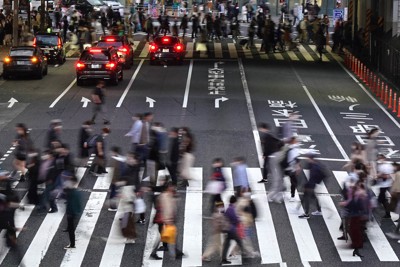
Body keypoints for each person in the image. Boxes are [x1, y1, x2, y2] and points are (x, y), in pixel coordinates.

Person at [298, 154, 326, 219]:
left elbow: (312, 178)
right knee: (313, 197)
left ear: (312, 159)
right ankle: (319, 210)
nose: (307, 159)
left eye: (308, 158)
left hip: (310, 185)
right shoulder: (315, 165)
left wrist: (307, 186)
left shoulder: (315, 168)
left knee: (306, 199)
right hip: (313, 184)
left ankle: (306, 214)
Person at [221, 195, 244, 265]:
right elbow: (235, 219)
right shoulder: (231, 209)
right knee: (239, 240)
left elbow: (226, 216)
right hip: (231, 229)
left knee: (227, 244)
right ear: (235, 202)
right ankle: (245, 253)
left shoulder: (229, 208)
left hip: (228, 229)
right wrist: (240, 220)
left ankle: (224, 259)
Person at [64, 174, 82, 249]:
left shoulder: (72, 192)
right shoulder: (75, 191)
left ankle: (72, 244)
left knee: (71, 230)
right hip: (73, 212)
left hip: (71, 212)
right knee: (71, 228)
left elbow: (71, 203)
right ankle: (72, 243)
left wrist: (70, 212)